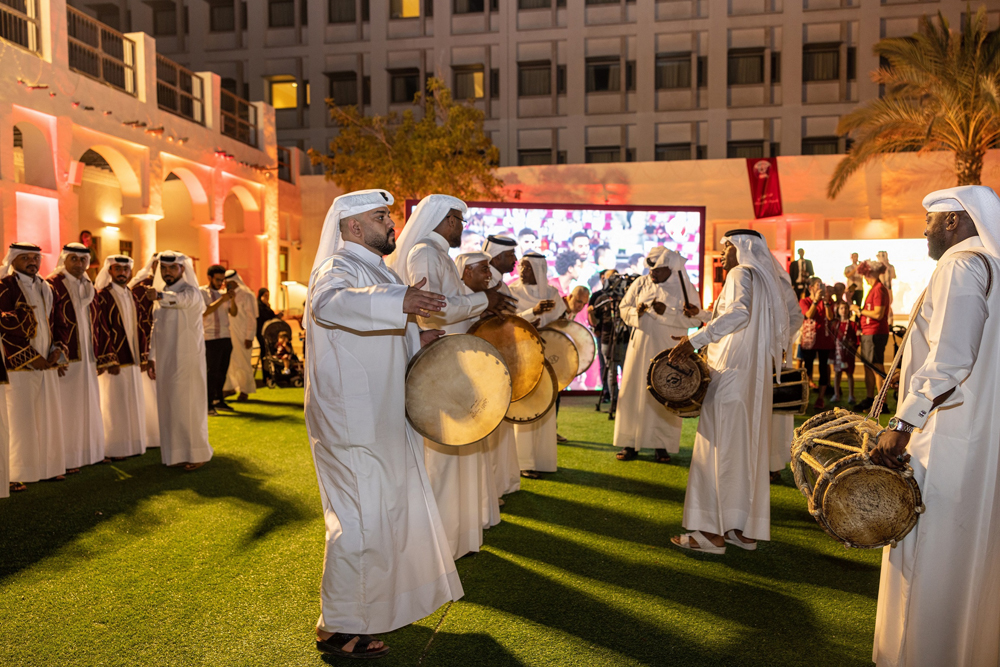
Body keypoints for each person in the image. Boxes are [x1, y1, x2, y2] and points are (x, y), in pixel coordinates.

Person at [305, 189, 462, 659]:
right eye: (381, 217)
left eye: (389, 215)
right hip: (351, 420)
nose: (392, 224)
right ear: (354, 227)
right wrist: (402, 301)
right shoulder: (337, 269)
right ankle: (336, 627)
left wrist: (420, 332)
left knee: (379, 515)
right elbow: (330, 305)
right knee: (356, 521)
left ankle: (367, 612)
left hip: (380, 415)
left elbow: (386, 325)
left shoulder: (377, 270)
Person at [870, 185, 1000, 667]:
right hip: (979, 434)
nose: (922, 230)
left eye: (929, 220)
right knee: (969, 551)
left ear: (953, 222)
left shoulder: (961, 265)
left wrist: (903, 422)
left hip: (947, 436)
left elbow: (950, 360)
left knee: (935, 550)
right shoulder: (993, 265)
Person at [388, 194, 515, 560]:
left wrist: (482, 303)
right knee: (442, 454)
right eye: (456, 220)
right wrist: (482, 302)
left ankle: (458, 537)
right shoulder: (424, 253)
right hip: (440, 362)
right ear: (441, 220)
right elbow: (433, 308)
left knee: (459, 448)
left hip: (457, 358)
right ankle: (436, 544)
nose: (461, 226)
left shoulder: (437, 253)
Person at [668, 230, 789, 554]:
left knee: (716, 449)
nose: (722, 256)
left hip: (731, 374)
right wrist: (706, 318)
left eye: (726, 249)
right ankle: (741, 529)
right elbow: (785, 318)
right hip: (754, 378)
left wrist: (693, 340)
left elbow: (738, 314)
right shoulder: (765, 277)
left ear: (741, 249)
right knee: (745, 451)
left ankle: (711, 534)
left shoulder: (739, 273)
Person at [613, 247, 707, 464]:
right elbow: (623, 308)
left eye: (658, 270)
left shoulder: (685, 288)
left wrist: (667, 313)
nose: (652, 273)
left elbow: (694, 320)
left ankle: (661, 445)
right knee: (633, 391)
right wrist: (638, 311)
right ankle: (630, 443)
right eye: (651, 269)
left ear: (671, 269)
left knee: (665, 392)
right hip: (639, 348)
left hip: (668, 349)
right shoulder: (641, 283)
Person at [1, 242, 67, 485]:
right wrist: (29, 357)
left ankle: (46, 467)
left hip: (46, 362)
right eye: (25, 257)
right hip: (18, 366)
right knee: (20, 418)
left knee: (46, 416)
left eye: (35, 258)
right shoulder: (4, 287)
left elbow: (58, 322)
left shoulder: (46, 287)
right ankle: (17, 473)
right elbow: (4, 327)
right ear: (13, 260)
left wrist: (57, 350)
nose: (32, 262)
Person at [147, 251, 212, 470]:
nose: (166, 272)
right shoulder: (163, 292)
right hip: (166, 360)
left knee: (188, 405)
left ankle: (198, 453)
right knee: (170, 405)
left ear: (182, 269)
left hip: (187, 360)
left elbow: (180, 302)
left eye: (171, 268)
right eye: (163, 268)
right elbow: (157, 327)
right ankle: (175, 455)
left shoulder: (191, 292)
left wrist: (158, 297)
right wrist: (151, 356)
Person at [509, 253, 567, 478]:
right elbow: (508, 320)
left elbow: (562, 322)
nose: (522, 272)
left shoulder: (552, 293)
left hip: (547, 356)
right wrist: (532, 313)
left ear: (539, 270)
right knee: (525, 408)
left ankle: (543, 460)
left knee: (545, 406)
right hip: (520, 356)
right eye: (522, 267)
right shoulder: (512, 291)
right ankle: (523, 462)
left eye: (528, 268)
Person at [48, 243, 105, 471]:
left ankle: (90, 452)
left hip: (87, 357)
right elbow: (49, 321)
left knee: (88, 405)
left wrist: (98, 355)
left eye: (83, 260)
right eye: (74, 259)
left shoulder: (88, 285)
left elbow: (96, 324)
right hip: (66, 358)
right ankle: (67, 459)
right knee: (68, 408)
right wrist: (56, 354)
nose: (79, 264)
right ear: (64, 260)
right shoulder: (53, 283)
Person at [93, 255, 149, 459]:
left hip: (133, 359)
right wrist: (109, 358)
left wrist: (143, 357)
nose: (122, 273)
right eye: (117, 269)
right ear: (109, 271)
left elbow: (141, 326)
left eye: (125, 269)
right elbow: (101, 328)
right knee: (114, 404)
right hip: (114, 361)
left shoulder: (131, 295)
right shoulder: (103, 296)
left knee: (132, 402)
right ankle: (114, 448)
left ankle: (133, 445)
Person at [481, 234, 522, 497]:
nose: (516, 260)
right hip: (489, 360)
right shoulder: (488, 283)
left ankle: (500, 484)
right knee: (491, 425)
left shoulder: (497, 282)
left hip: (500, 356)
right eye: (511, 256)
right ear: (496, 257)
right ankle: (491, 490)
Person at [770, 256, 805, 484]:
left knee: (775, 409)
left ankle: (772, 464)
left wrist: (781, 340)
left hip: (777, 356)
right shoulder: (746, 281)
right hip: (748, 359)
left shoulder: (782, 285)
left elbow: (796, 317)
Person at [128, 255, 160, 448]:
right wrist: (145, 352)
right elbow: (138, 322)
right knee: (149, 393)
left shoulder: (176, 288)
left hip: (170, 347)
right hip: (148, 347)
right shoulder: (141, 288)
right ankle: (152, 435)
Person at [852, 260, 890, 413]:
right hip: (869, 332)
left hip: (875, 332)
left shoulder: (879, 289)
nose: (865, 277)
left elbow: (878, 314)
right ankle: (871, 399)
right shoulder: (875, 289)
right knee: (869, 367)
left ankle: (882, 402)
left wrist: (859, 310)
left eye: (867, 274)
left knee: (876, 366)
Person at [200, 264, 237, 415]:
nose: (220, 282)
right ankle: (208, 404)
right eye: (218, 279)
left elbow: (233, 313)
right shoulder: (202, 292)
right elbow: (205, 311)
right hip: (210, 337)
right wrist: (222, 300)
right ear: (209, 277)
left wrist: (232, 298)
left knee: (222, 371)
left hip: (225, 336)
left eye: (222, 279)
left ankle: (219, 400)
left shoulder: (224, 293)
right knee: (211, 372)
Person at [799, 277, 836, 411]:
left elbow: (830, 317)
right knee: (807, 368)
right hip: (810, 341)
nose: (820, 287)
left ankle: (820, 398)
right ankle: (805, 396)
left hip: (824, 340)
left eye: (821, 284)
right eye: (817, 285)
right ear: (810, 288)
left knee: (823, 369)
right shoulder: (804, 301)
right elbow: (809, 314)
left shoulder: (827, 301)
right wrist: (815, 301)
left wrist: (826, 303)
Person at [222, 269, 258, 402]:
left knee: (243, 363)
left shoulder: (247, 294)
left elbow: (252, 318)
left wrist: (249, 336)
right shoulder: (225, 295)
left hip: (243, 335)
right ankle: (229, 387)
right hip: (228, 333)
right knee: (229, 362)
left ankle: (244, 390)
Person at [588, 270, 618, 406]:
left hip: (624, 338)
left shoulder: (624, 296)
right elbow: (593, 318)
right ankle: (608, 393)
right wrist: (596, 329)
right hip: (605, 337)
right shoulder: (598, 297)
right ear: (602, 279)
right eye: (609, 278)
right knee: (606, 366)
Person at [832, 301, 859, 404]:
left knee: (849, 374)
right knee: (837, 373)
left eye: (846, 308)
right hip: (838, 353)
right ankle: (836, 394)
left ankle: (851, 396)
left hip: (849, 354)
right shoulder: (836, 324)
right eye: (841, 308)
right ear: (838, 311)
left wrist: (851, 344)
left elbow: (857, 339)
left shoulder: (852, 324)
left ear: (849, 311)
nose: (844, 310)